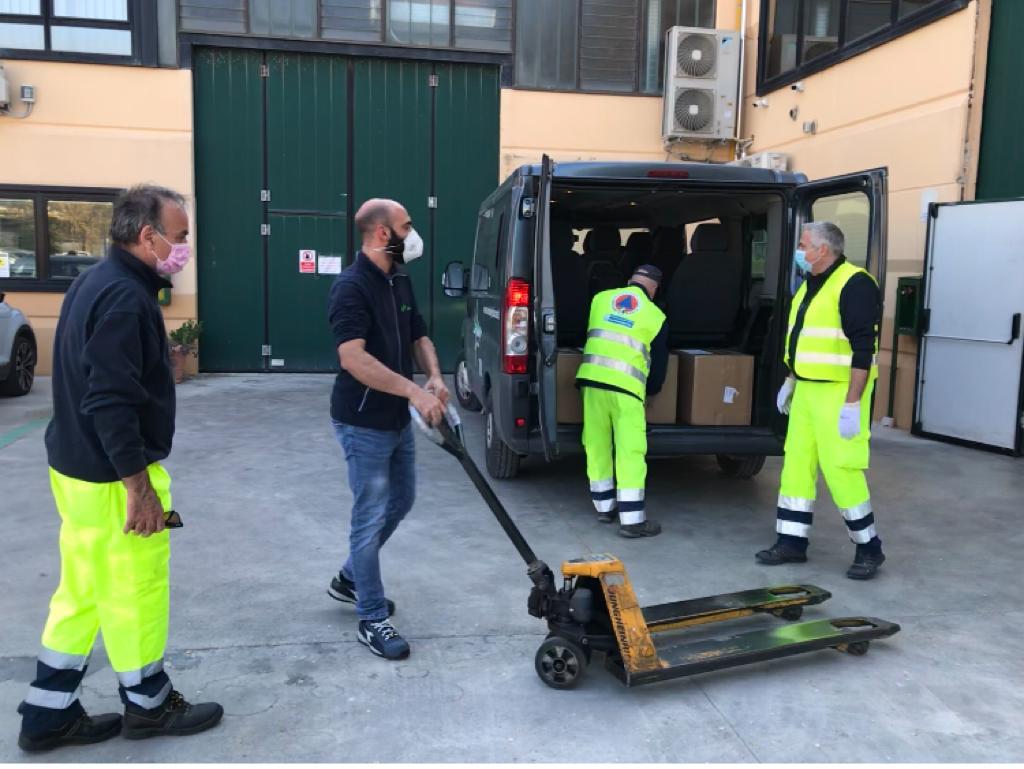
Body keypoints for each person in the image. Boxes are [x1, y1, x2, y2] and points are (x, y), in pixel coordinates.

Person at [17, 185, 222, 753]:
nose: (184, 248)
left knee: (82, 590)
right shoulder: (127, 299)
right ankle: (149, 704)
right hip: (113, 478)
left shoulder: (95, 281)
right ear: (147, 236)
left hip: (76, 468)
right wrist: (139, 487)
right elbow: (109, 398)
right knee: (136, 589)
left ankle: (48, 713)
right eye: (180, 237)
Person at [326, 198, 449, 660]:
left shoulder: (399, 278)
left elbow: (419, 335)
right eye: (407, 225)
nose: (413, 234)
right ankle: (371, 616)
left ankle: (349, 577)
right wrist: (414, 393)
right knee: (370, 515)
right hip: (362, 421)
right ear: (383, 233)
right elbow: (353, 358)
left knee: (402, 500)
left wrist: (434, 376)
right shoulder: (351, 287)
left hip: (396, 416)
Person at [756, 221, 886, 579]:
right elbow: (802, 339)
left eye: (803, 245)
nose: (799, 251)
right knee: (797, 465)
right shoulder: (810, 284)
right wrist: (791, 378)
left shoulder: (854, 284)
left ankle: (869, 548)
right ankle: (791, 542)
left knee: (842, 469)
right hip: (807, 390)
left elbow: (864, 349)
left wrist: (853, 403)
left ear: (823, 250)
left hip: (838, 392)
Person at [575, 265, 668, 538]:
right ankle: (632, 520)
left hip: (592, 382)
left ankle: (604, 507)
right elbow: (659, 364)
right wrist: (652, 391)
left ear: (630, 281)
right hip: (626, 389)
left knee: (596, 444)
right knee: (630, 451)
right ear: (655, 290)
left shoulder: (600, 299)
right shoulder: (655, 315)